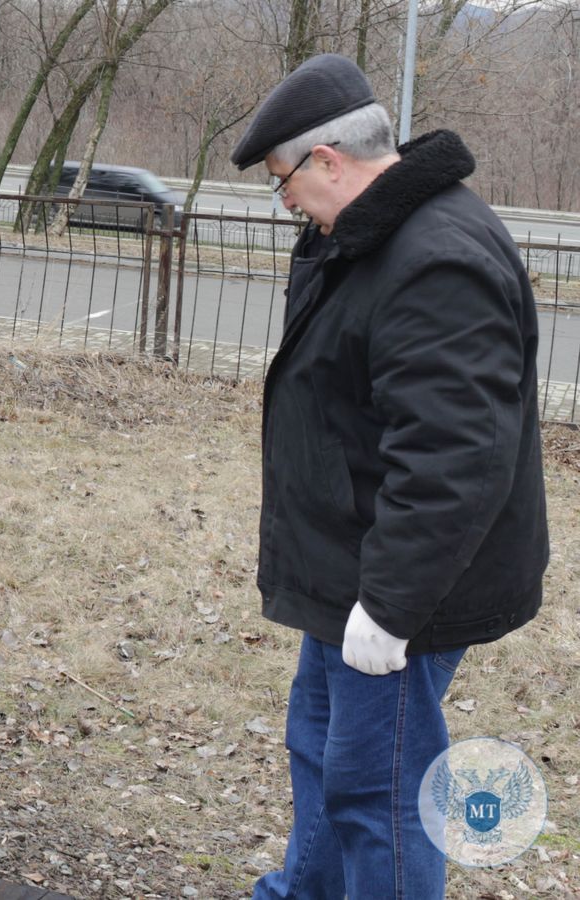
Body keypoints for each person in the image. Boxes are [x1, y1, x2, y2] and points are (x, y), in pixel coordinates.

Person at [228, 54, 549, 899]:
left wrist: (391, 605)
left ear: (327, 160)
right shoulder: (360, 236)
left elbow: (454, 457)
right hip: (345, 563)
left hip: (396, 591)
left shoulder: (435, 259)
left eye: (283, 182)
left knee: (379, 790)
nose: (286, 202)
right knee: (320, 753)